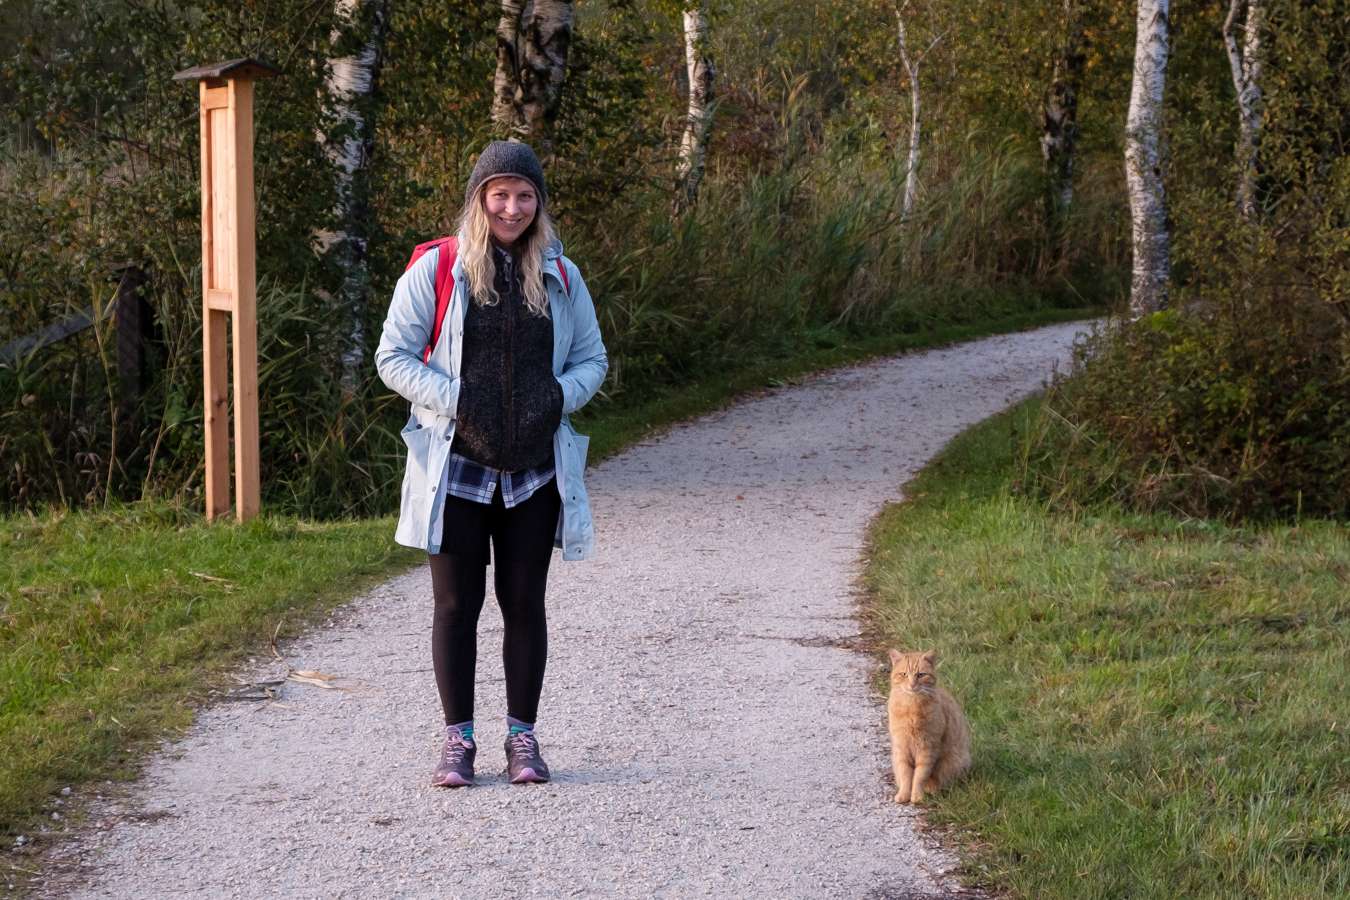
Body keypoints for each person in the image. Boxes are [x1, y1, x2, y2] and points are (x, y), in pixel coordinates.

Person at [374, 140, 608, 787]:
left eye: (524, 196)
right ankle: (458, 744)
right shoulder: (439, 269)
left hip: (533, 471)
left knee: (524, 603)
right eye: (500, 194)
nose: (512, 207)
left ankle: (523, 742)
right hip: (458, 468)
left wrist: (556, 395)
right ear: (480, 198)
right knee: (455, 607)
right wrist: (459, 400)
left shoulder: (562, 274)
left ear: (539, 204)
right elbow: (392, 357)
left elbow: (593, 359)